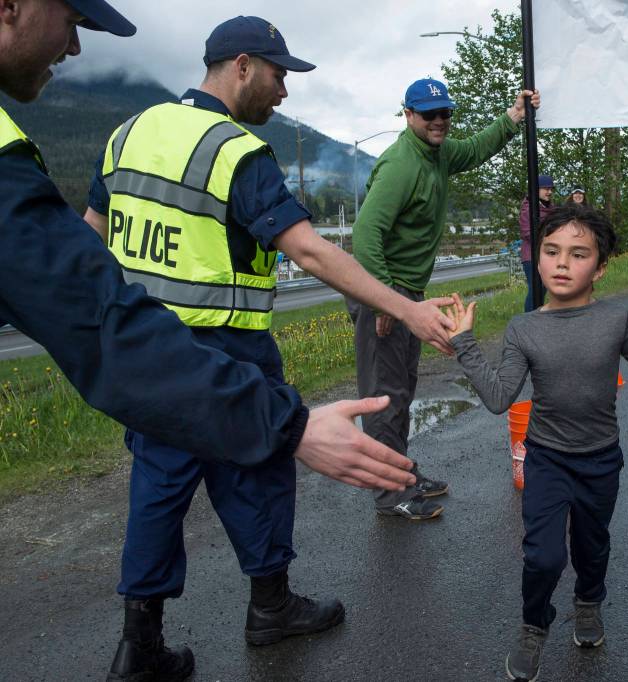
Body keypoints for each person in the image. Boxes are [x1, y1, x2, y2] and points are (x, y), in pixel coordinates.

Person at [79, 16, 456, 680]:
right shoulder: (234, 151)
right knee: (260, 469)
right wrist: (405, 308)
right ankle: (270, 608)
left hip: (146, 354)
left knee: (158, 487)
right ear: (243, 65)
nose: (284, 93)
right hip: (228, 349)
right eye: (280, 75)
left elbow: (90, 237)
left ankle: (141, 643)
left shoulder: (126, 134)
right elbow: (308, 249)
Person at [444, 204, 628, 681]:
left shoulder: (616, 321)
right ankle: (534, 625)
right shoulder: (523, 328)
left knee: (592, 547)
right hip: (546, 457)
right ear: (538, 258)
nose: (562, 263)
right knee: (542, 555)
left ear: (600, 267)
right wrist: (465, 342)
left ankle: (588, 602)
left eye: (578, 254)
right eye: (552, 251)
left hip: (601, 460)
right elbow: (500, 398)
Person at [349, 77, 540, 520]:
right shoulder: (401, 165)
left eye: (444, 113)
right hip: (385, 291)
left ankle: (402, 474)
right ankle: (389, 492)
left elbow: (475, 150)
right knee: (384, 395)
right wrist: (384, 302)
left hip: (406, 294)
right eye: (429, 114)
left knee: (402, 388)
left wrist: (513, 117)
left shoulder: (437, 153)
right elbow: (365, 235)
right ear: (408, 114)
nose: (439, 122)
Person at [518, 173, 554, 312]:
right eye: (545, 188)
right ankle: (529, 318)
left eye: (551, 189)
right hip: (531, 257)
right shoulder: (529, 209)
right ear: (536, 189)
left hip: (543, 254)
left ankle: (536, 316)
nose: (549, 192)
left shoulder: (549, 207)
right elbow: (527, 233)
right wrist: (550, 234)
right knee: (535, 290)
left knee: (543, 288)